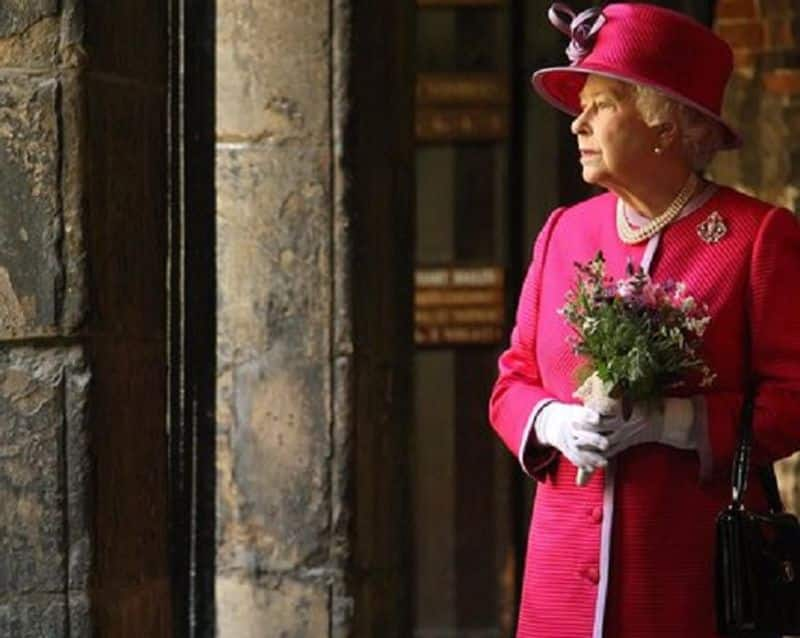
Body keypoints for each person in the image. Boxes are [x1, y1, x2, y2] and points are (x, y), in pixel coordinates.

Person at [488, 3, 800, 637]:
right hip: (560, 590)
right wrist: (554, 422)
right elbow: (512, 381)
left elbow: (795, 399)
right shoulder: (563, 232)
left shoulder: (756, 237)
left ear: (665, 123)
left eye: (600, 104)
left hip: (687, 586)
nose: (576, 122)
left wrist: (675, 423)